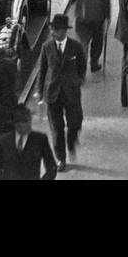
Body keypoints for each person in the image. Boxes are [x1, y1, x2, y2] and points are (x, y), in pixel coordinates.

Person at [37, 13, 85, 171]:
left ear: (64, 31)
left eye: (55, 29)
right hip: (53, 93)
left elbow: (82, 68)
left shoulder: (76, 47)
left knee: (75, 123)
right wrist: (40, 92)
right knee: (57, 129)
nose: (52, 32)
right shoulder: (46, 47)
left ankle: (71, 141)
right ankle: (61, 159)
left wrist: (77, 81)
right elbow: (42, 70)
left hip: (71, 92)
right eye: (52, 29)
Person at [0, 104, 57, 181]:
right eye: (24, 121)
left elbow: (51, 167)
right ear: (15, 123)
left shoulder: (40, 139)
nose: (29, 125)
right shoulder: (2, 142)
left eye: (29, 120)